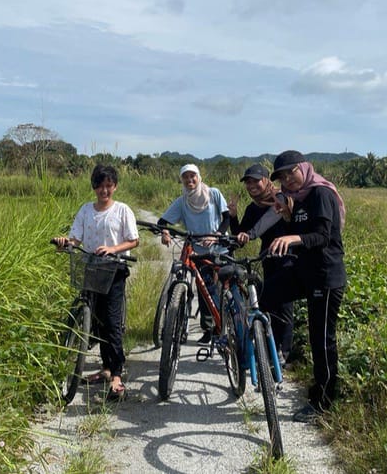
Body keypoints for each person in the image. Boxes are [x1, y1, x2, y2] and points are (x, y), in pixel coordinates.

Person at [266, 150, 347, 423]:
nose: (288, 179)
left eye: (292, 172)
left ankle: (323, 402)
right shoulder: (298, 199)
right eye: (282, 177)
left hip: (326, 276)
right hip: (306, 273)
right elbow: (301, 224)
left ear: (304, 168)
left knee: (322, 339)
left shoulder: (320, 194)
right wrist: (289, 216)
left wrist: (292, 237)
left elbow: (323, 236)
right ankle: (272, 353)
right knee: (269, 294)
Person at [52, 164, 139, 402]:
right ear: (94, 187)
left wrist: (112, 249)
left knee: (111, 322)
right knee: (98, 323)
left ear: (115, 186)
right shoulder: (85, 211)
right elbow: (75, 238)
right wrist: (64, 243)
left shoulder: (122, 210)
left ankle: (117, 376)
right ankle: (106, 368)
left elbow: (133, 241)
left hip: (114, 269)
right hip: (90, 268)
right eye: (100, 186)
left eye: (109, 185)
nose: (104, 190)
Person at [229, 164, 301, 367]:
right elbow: (241, 236)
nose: (251, 185)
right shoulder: (252, 208)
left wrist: (250, 233)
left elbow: (264, 224)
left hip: (288, 258)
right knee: (267, 305)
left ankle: (284, 353)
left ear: (266, 180)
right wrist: (233, 217)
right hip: (267, 259)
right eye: (248, 182)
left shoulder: (280, 198)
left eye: (255, 180)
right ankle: (269, 348)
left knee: (284, 307)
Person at [157, 164, 230, 346]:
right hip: (197, 250)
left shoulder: (213, 193)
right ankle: (210, 329)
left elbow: (227, 217)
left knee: (221, 288)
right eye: (186, 177)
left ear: (199, 177)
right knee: (204, 289)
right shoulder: (183, 201)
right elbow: (162, 221)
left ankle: (228, 326)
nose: (190, 180)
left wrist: (217, 236)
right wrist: (165, 232)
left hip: (218, 248)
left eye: (193, 176)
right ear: (182, 180)